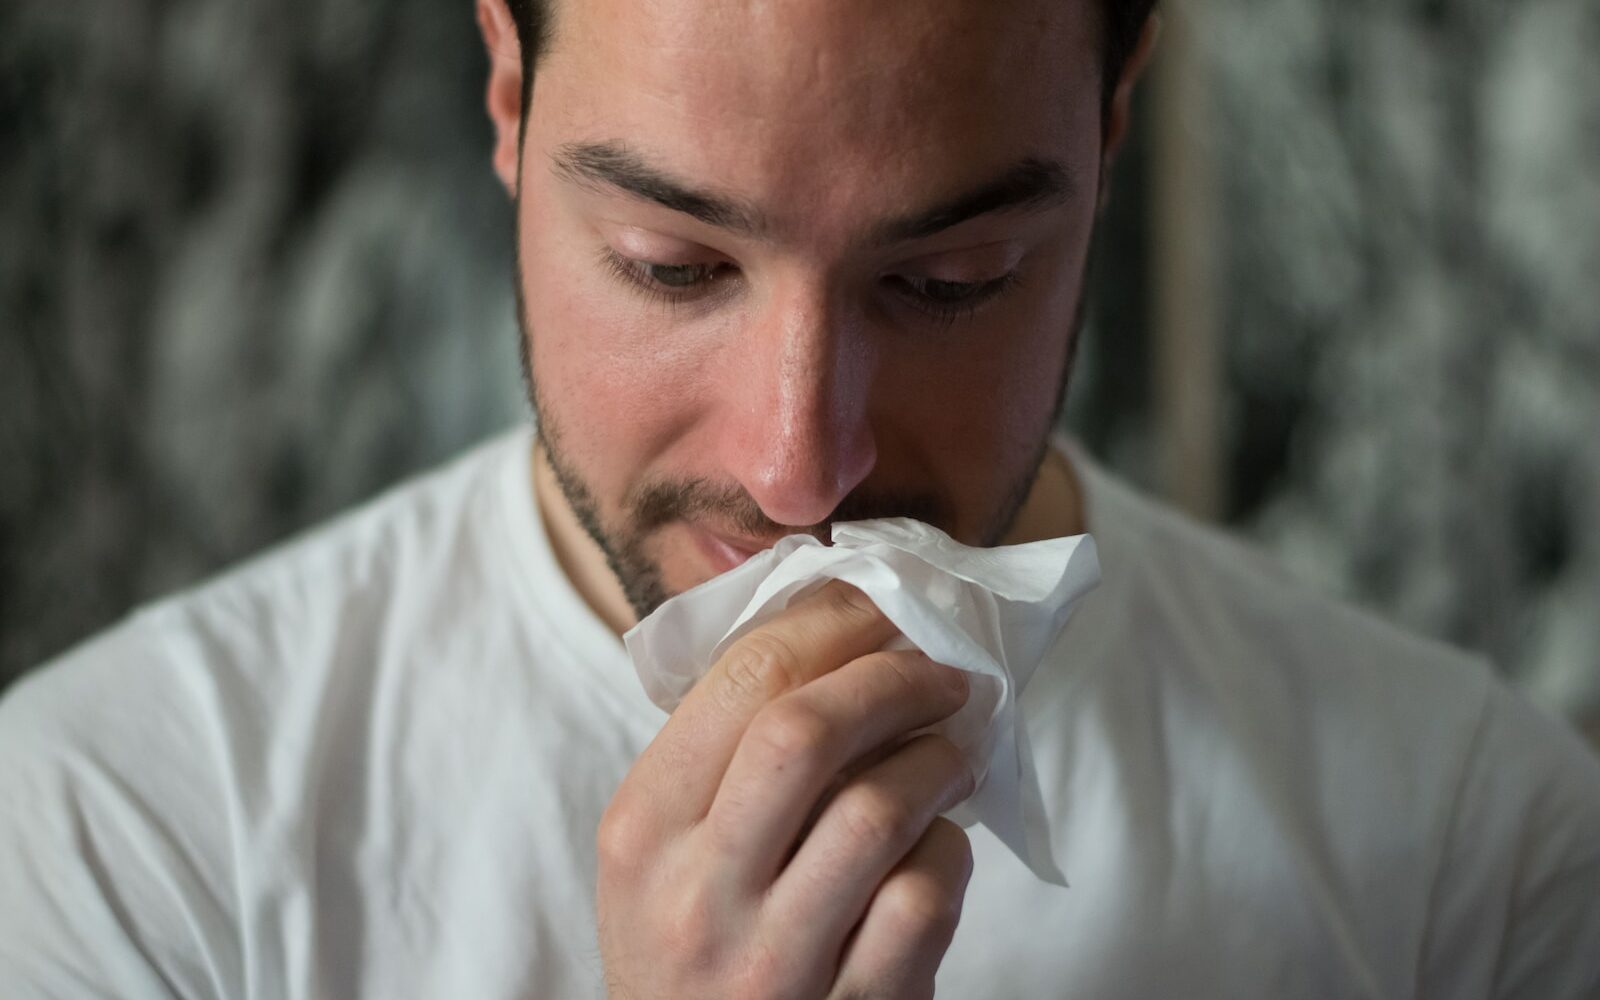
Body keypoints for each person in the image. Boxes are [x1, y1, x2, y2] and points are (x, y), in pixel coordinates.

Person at [3, 0, 1598, 996]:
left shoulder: (1473, 859)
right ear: (506, 90)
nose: (800, 467)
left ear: (1109, 128)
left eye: (950, 279)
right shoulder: (122, 841)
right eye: (674, 267)